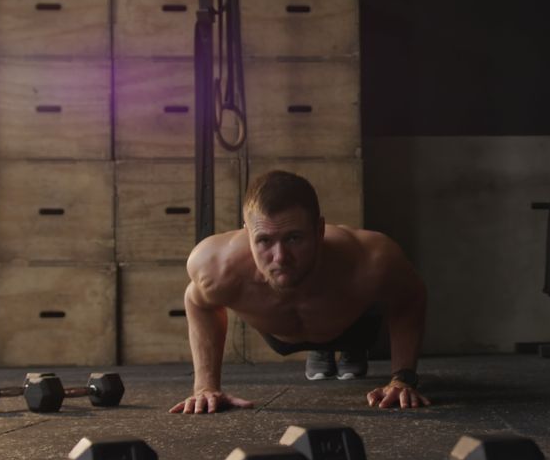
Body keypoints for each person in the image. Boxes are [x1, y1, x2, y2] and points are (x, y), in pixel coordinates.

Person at [170, 170, 430, 414]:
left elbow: (410, 298)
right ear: (247, 233)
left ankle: (349, 349)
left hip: (353, 325)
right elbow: (197, 302)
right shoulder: (216, 266)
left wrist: (403, 378)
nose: (280, 257)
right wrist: (205, 387)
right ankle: (321, 350)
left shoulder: (372, 258)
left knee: (363, 310)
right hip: (281, 333)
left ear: (319, 231)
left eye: (294, 238)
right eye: (264, 241)